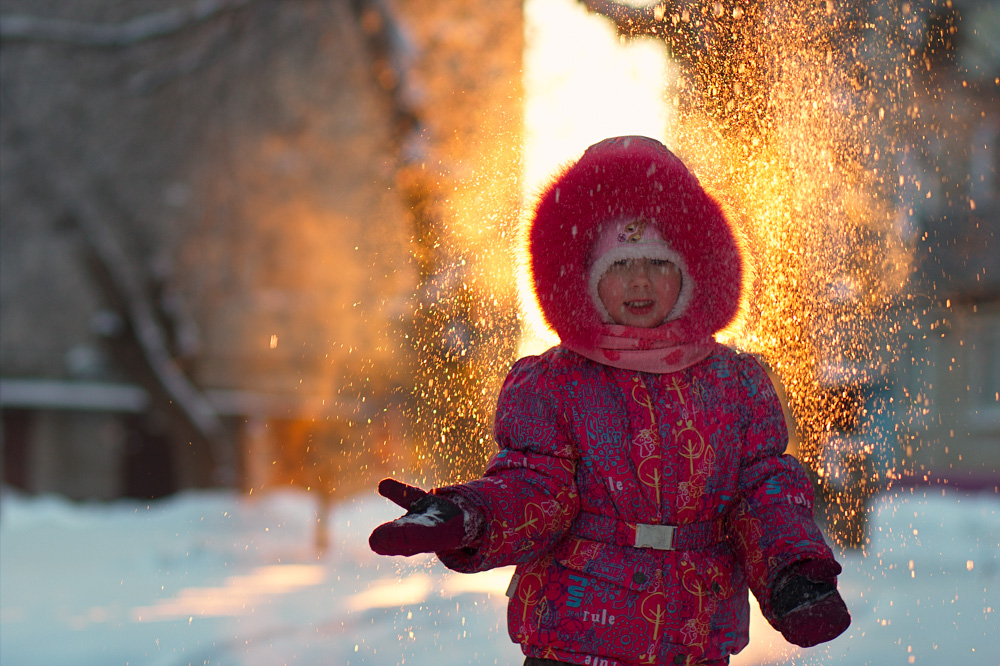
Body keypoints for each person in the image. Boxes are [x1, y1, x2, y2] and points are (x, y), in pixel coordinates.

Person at [369, 136, 850, 666]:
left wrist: (794, 574)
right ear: (585, 278)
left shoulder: (735, 384)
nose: (639, 281)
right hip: (573, 638)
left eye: (658, 263)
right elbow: (534, 488)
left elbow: (763, 492)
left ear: (692, 273)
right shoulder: (553, 383)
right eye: (619, 265)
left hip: (693, 639)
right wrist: (470, 515)